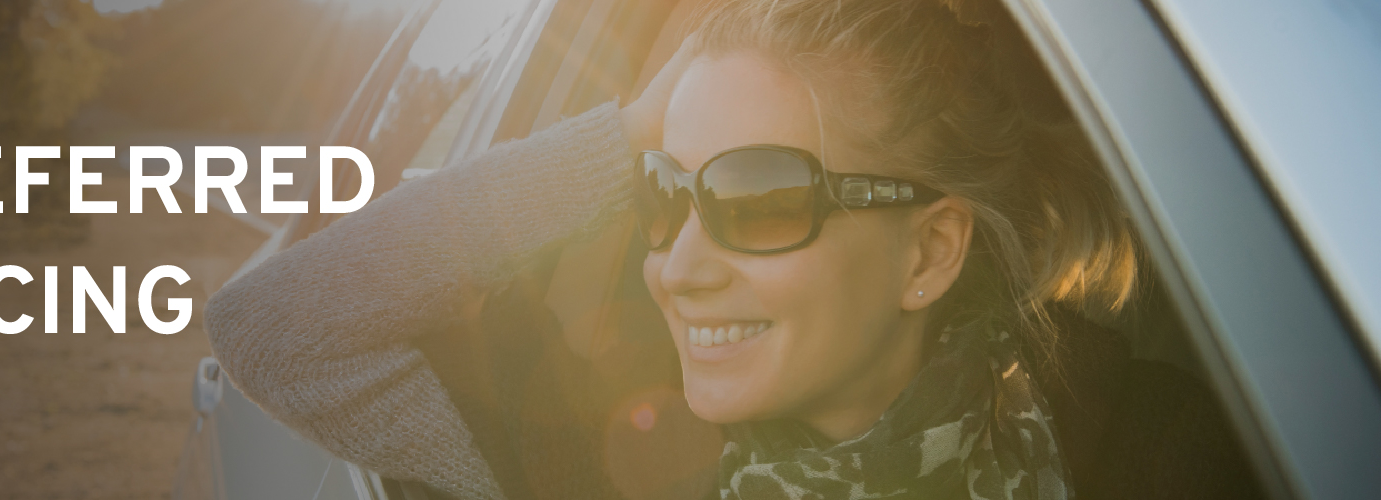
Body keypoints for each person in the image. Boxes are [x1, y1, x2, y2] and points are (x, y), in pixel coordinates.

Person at [205, 1, 1262, 499]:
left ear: (928, 253)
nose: (674, 264)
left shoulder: (1166, 452)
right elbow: (270, 323)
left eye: (758, 198)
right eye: (664, 195)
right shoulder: (583, 440)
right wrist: (620, 136)